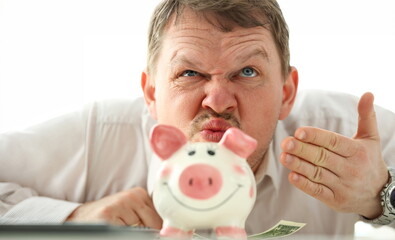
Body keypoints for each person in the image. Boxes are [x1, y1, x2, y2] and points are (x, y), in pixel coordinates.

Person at [1, 0, 395, 237]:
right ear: (152, 93)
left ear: (287, 93)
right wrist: (72, 218)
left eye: (247, 72)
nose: (218, 101)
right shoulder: (100, 136)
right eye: (190, 73)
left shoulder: (346, 136)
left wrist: (382, 196)